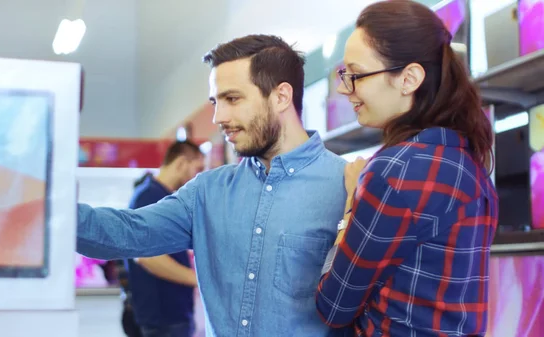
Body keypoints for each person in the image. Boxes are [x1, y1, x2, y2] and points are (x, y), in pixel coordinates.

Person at [76, 34, 348, 337]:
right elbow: (127, 232)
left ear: (281, 96)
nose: (219, 117)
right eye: (215, 102)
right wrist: (44, 212)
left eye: (232, 99)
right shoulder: (207, 192)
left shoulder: (346, 186)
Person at [315, 1, 498, 337]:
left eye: (355, 75)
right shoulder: (470, 162)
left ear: (409, 78)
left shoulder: (391, 172)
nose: (344, 88)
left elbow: (334, 305)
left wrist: (350, 206)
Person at [124, 140, 204, 337]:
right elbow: (146, 257)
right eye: (198, 168)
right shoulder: (149, 197)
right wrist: (199, 280)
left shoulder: (162, 197)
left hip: (172, 316)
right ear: (181, 163)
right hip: (163, 319)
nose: (199, 176)